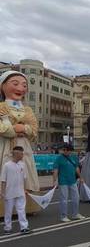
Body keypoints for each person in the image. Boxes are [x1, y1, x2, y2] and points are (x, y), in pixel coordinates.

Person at [0, 71, 41, 215]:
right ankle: (4, 208)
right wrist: (13, 130)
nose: (20, 88)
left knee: (25, 173)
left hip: (24, 148)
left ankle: (27, 207)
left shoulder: (28, 109)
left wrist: (24, 128)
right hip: (5, 147)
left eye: (24, 85)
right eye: (15, 84)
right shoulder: (1, 107)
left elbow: (34, 130)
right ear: (3, 86)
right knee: (6, 174)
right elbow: (2, 129)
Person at [0, 146, 31, 234]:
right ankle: (7, 228)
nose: (22, 155)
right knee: (8, 211)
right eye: (21, 153)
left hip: (20, 192)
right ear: (16, 154)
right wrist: (2, 192)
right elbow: (3, 180)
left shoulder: (23, 164)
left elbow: (24, 178)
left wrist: (25, 190)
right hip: (9, 192)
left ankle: (24, 227)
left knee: (21, 210)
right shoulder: (7, 165)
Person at [53, 144, 85, 222]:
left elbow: (77, 168)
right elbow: (55, 170)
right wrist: (54, 181)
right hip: (63, 181)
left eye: (68, 151)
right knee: (64, 199)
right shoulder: (59, 158)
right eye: (65, 150)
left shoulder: (74, 157)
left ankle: (75, 214)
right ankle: (63, 216)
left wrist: (80, 177)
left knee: (76, 198)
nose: (66, 152)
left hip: (73, 181)